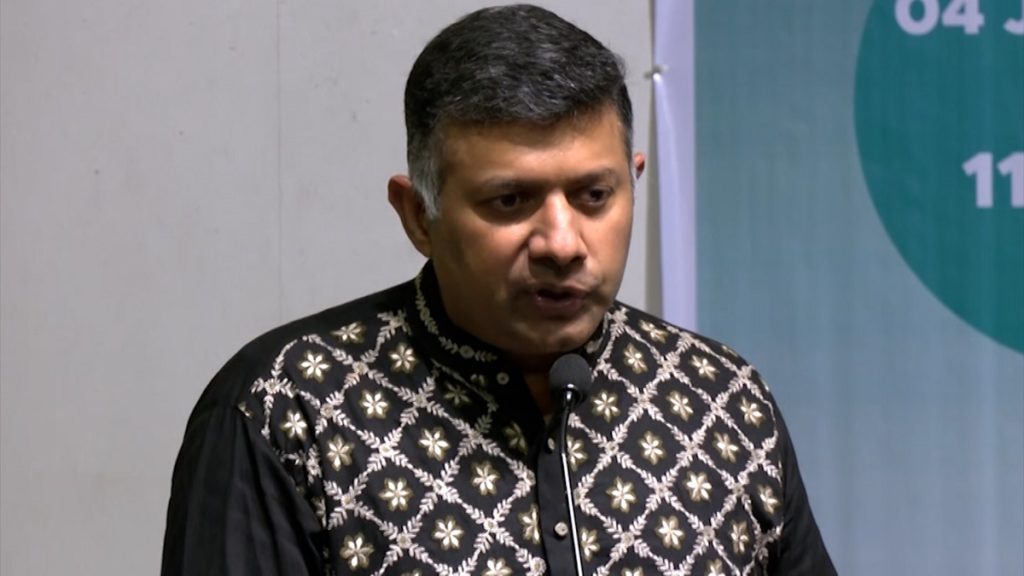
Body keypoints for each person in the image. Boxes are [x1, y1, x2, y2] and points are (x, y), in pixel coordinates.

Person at [161, 4, 836, 575]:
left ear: (634, 180)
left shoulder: (722, 400)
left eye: (594, 196)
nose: (562, 244)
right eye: (510, 201)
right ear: (418, 215)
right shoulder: (286, 411)